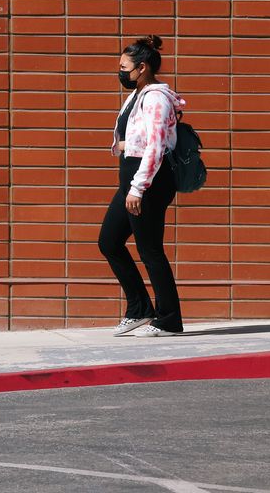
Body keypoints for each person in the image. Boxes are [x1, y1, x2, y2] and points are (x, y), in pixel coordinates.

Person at [98, 35, 185, 337]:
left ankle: (169, 319)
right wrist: (122, 144)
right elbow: (139, 137)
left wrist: (138, 188)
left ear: (142, 67)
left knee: (150, 250)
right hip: (133, 178)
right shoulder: (137, 94)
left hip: (148, 181)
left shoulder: (156, 97)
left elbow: (157, 145)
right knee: (109, 241)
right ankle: (139, 309)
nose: (121, 72)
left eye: (124, 67)